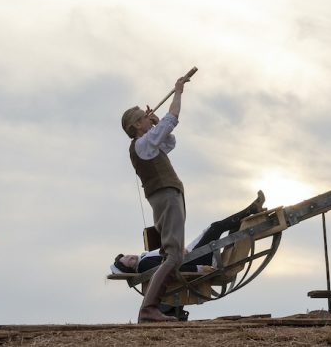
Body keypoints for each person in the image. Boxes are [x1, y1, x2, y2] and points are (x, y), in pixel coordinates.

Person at [121, 75, 191, 323]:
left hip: (166, 195)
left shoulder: (148, 142)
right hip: (166, 196)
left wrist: (155, 122)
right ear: (137, 125)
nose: (148, 119)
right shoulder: (142, 143)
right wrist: (178, 92)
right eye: (144, 117)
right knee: (174, 254)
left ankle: (152, 308)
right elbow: (173, 121)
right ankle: (149, 309)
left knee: (171, 254)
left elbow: (169, 141)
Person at [110, 190, 266, 275]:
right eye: (128, 261)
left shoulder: (144, 258)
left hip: (191, 257)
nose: (131, 257)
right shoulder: (144, 265)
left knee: (214, 227)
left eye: (127, 256)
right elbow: (169, 269)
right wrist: (198, 269)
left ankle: (250, 212)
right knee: (215, 228)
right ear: (131, 269)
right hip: (195, 261)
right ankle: (251, 210)